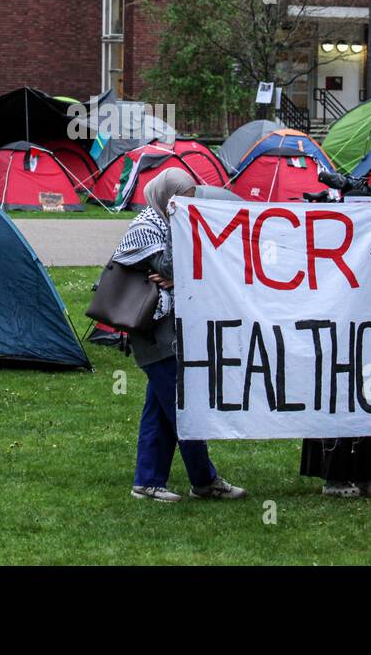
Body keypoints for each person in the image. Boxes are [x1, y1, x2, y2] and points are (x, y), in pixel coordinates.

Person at [114, 167, 246, 503]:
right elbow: (171, 268)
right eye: (178, 199)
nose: (184, 205)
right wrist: (178, 264)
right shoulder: (147, 228)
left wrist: (181, 276)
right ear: (164, 196)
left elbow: (185, 270)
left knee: (161, 410)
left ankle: (147, 482)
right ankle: (204, 479)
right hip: (153, 332)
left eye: (188, 199)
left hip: (170, 332)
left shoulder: (167, 223)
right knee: (182, 410)